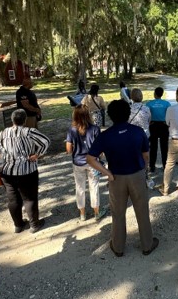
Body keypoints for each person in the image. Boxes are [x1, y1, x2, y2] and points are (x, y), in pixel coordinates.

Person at [87, 100, 158, 257]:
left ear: (111, 116)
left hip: (116, 178)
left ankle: (118, 247)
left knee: (118, 213)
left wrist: (107, 173)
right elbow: (146, 155)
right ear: (128, 113)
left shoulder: (105, 136)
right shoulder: (138, 131)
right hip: (137, 175)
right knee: (142, 211)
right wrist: (143, 168)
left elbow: (90, 158)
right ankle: (147, 245)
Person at [0, 109, 51, 233]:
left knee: (13, 199)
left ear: (12, 120)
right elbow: (46, 141)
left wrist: (9, 156)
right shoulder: (29, 132)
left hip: (7, 171)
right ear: (25, 120)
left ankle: (18, 225)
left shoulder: (3, 133)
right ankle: (34, 225)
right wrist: (37, 154)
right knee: (29, 198)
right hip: (27, 170)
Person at [65, 106, 107, 222]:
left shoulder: (71, 130)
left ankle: (82, 214)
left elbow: (68, 149)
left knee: (80, 188)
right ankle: (96, 212)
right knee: (94, 186)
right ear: (88, 115)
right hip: (93, 162)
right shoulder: (95, 129)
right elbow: (100, 148)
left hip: (78, 162)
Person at [146, 87, 171, 174]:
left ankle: (152, 166)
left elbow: (147, 115)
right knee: (164, 146)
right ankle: (165, 165)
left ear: (155, 94)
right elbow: (169, 114)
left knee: (153, 147)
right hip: (164, 125)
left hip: (153, 125)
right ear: (162, 94)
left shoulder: (149, 104)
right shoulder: (167, 103)